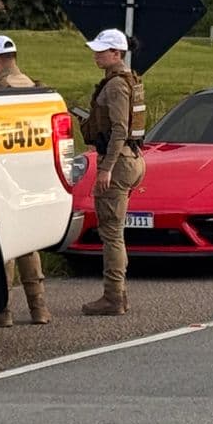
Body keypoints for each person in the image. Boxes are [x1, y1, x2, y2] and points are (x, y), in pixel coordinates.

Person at [0, 35, 51, 328]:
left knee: (4, 242)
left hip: (5, 174)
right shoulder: (35, 88)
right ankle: (40, 309)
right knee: (29, 243)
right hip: (32, 173)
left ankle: (1, 310)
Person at [79, 28, 146, 316]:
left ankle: (113, 297)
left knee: (111, 232)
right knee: (114, 230)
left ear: (116, 53)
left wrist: (105, 168)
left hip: (118, 163)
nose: (96, 54)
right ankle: (118, 294)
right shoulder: (128, 80)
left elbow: (120, 129)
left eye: (101, 50)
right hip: (131, 159)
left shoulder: (117, 85)